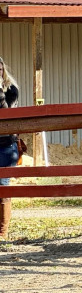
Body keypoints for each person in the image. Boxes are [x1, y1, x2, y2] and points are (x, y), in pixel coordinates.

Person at [0, 57, 20, 239]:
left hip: (5, 144)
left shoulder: (11, 90)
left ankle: (2, 232)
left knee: (3, 186)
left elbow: (7, 113)